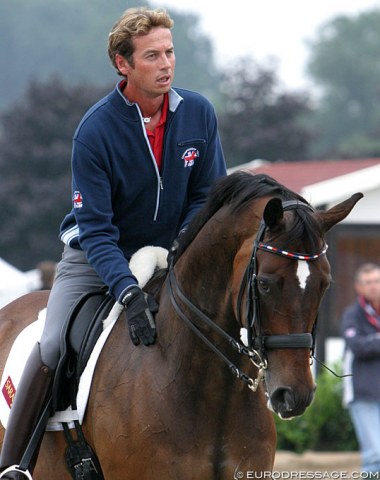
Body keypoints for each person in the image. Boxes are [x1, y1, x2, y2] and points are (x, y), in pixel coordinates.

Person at [0, 7, 226, 479]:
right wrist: (127, 292)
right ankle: (15, 463)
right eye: (152, 56)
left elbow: (208, 196)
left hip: (172, 251)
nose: (166, 64)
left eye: (169, 52)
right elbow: (97, 229)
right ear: (123, 64)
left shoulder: (199, 113)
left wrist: (181, 247)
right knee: (53, 343)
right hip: (97, 254)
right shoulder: (96, 130)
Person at [341, 263, 380, 475]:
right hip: (362, 392)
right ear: (359, 287)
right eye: (368, 282)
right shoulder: (352, 315)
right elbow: (357, 347)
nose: (373, 286)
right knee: (375, 455)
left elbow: (367, 345)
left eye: (376, 281)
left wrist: (372, 341)